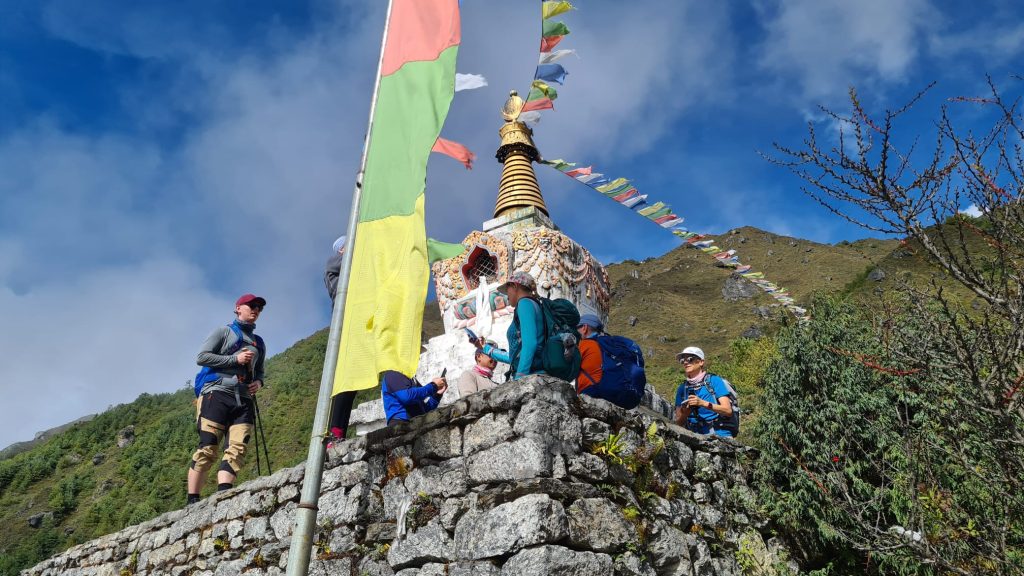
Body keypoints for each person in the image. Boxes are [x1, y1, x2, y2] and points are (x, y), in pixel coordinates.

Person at [187, 294, 267, 505]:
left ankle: (224, 495)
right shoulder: (223, 332)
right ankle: (192, 500)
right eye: (252, 305)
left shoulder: (259, 343)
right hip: (216, 393)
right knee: (208, 446)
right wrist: (235, 359)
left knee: (237, 447)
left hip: (243, 398)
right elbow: (202, 357)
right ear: (238, 308)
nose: (256, 309)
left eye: (259, 307)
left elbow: (260, 372)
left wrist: (258, 383)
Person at [473, 271, 544, 380]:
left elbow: (530, 344)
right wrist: (485, 348)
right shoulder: (533, 304)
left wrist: (520, 376)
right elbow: (514, 357)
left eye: (507, 290)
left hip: (532, 374)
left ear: (515, 286)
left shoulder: (524, 303)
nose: (506, 296)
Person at [324, 235, 357, 447]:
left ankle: (339, 431)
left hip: (358, 319)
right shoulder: (334, 262)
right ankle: (335, 431)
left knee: (353, 380)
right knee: (345, 378)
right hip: (346, 319)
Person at [673, 346, 734, 438]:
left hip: (719, 434)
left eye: (690, 359)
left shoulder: (714, 381)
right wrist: (685, 413)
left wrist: (702, 403)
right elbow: (678, 422)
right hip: (693, 435)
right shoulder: (682, 388)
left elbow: (728, 410)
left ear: (701, 362)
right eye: (683, 360)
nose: (685, 362)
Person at [381, 370, 448, 424]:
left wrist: (437, 395)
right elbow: (407, 397)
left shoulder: (410, 379)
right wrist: (433, 386)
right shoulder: (391, 375)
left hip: (416, 422)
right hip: (401, 423)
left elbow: (423, 411)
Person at [575, 313, 604, 395]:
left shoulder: (585, 344)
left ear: (584, 327)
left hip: (589, 392)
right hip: (608, 390)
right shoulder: (605, 344)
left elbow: (569, 367)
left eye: (577, 328)